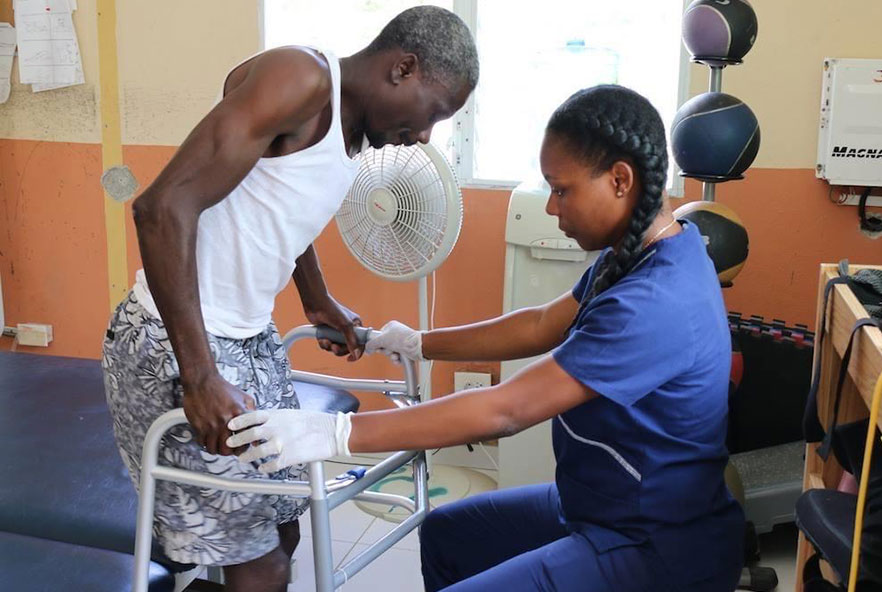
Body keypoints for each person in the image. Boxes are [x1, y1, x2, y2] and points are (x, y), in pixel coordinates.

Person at [228, 85, 746, 591]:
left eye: (561, 190)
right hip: (602, 504)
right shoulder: (639, 255)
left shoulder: (653, 302)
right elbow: (539, 323)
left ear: (619, 180)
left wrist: (339, 433)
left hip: (653, 543)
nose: (551, 208)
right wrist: (419, 342)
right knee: (448, 536)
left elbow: (508, 409)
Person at [100, 6, 478, 591]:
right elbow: (161, 207)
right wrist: (199, 375)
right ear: (403, 68)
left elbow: (276, 200)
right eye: (434, 112)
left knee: (286, 527)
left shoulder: (349, 129)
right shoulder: (301, 80)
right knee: (263, 567)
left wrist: (316, 296)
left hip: (250, 338)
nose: (426, 135)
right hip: (171, 343)